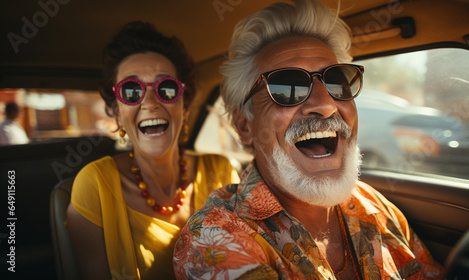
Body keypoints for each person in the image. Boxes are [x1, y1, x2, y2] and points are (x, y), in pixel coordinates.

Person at [173, 1, 444, 279]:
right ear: (244, 126)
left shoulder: (375, 205)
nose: (326, 105)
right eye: (287, 87)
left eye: (337, 81)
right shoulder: (213, 239)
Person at [66, 21, 239, 280]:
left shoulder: (221, 171)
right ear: (117, 114)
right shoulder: (95, 186)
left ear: (186, 107)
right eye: (131, 91)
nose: (149, 102)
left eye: (166, 88)